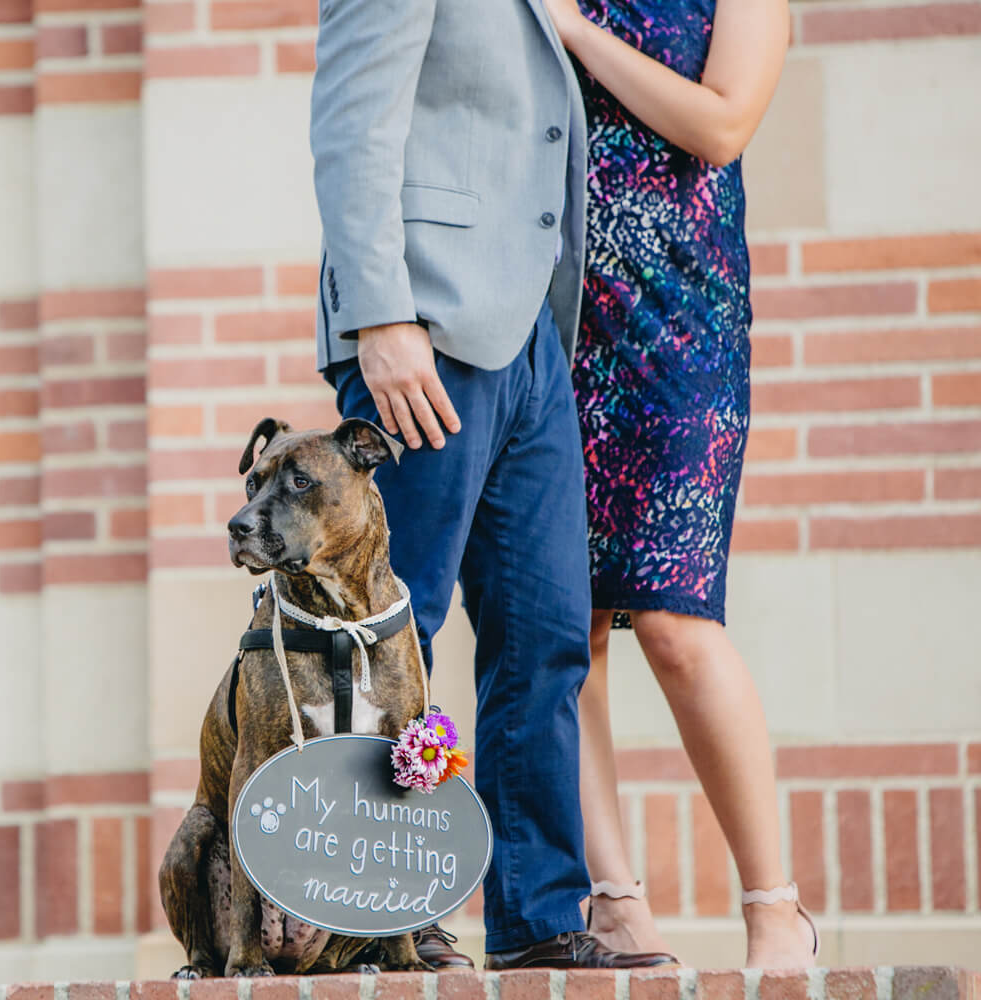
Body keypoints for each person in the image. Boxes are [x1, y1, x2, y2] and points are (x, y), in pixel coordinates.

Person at [309, 0, 672, 971]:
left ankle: (538, 915)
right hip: (424, 330)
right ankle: (381, 911)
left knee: (547, 635)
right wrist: (380, 315)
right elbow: (352, 123)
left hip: (532, 341)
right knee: (396, 632)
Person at [538, 0, 819, 969]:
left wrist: (579, 34)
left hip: (682, 326)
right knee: (565, 625)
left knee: (675, 623)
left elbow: (723, 123)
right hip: (561, 325)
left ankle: (775, 906)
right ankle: (615, 901)